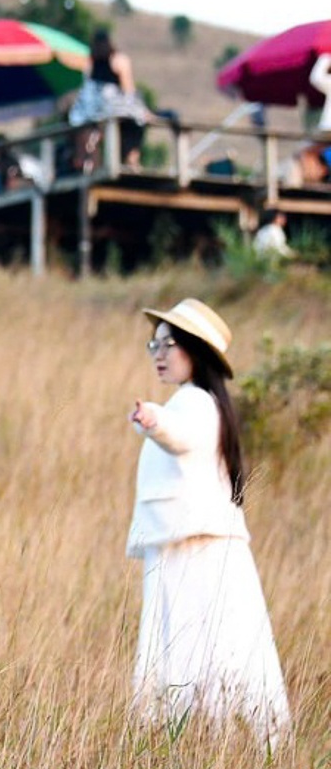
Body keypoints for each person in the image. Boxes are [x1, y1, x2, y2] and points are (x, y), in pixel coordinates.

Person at [125, 298, 288, 745]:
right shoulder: (197, 401)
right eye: (153, 344)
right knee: (214, 649)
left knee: (195, 651)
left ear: (195, 352)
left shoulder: (194, 404)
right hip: (192, 543)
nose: (158, 354)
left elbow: (181, 437)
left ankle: (196, 741)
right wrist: (156, 420)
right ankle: (214, 741)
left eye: (168, 344)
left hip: (193, 548)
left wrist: (153, 419)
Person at [71, 28, 147, 168]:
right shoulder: (119, 60)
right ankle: (132, 160)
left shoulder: (89, 63)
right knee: (139, 121)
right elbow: (128, 90)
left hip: (90, 113)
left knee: (93, 133)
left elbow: (86, 88)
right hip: (115, 109)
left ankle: (94, 165)